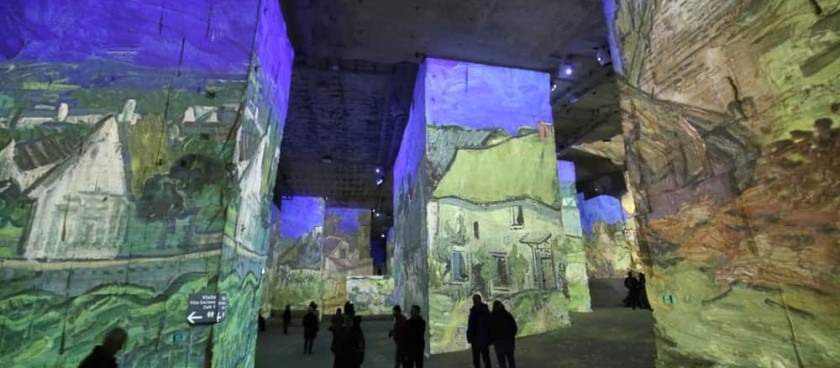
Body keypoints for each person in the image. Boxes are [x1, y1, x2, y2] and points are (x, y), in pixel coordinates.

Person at [490, 301, 518, 368]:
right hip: (509, 340)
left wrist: (493, 339)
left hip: (498, 342)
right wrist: (511, 336)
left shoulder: (492, 317)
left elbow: (490, 330)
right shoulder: (507, 315)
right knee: (511, 359)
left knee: (502, 361)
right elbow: (514, 327)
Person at [467, 294, 492, 368]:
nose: (475, 301)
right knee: (476, 360)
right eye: (474, 300)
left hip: (484, 339)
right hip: (475, 339)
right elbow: (470, 325)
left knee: (486, 359)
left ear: (480, 300)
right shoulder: (473, 311)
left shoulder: (485, 310)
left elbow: (489, 324)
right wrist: (469, 336)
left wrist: (488, 337)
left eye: (476, 300)